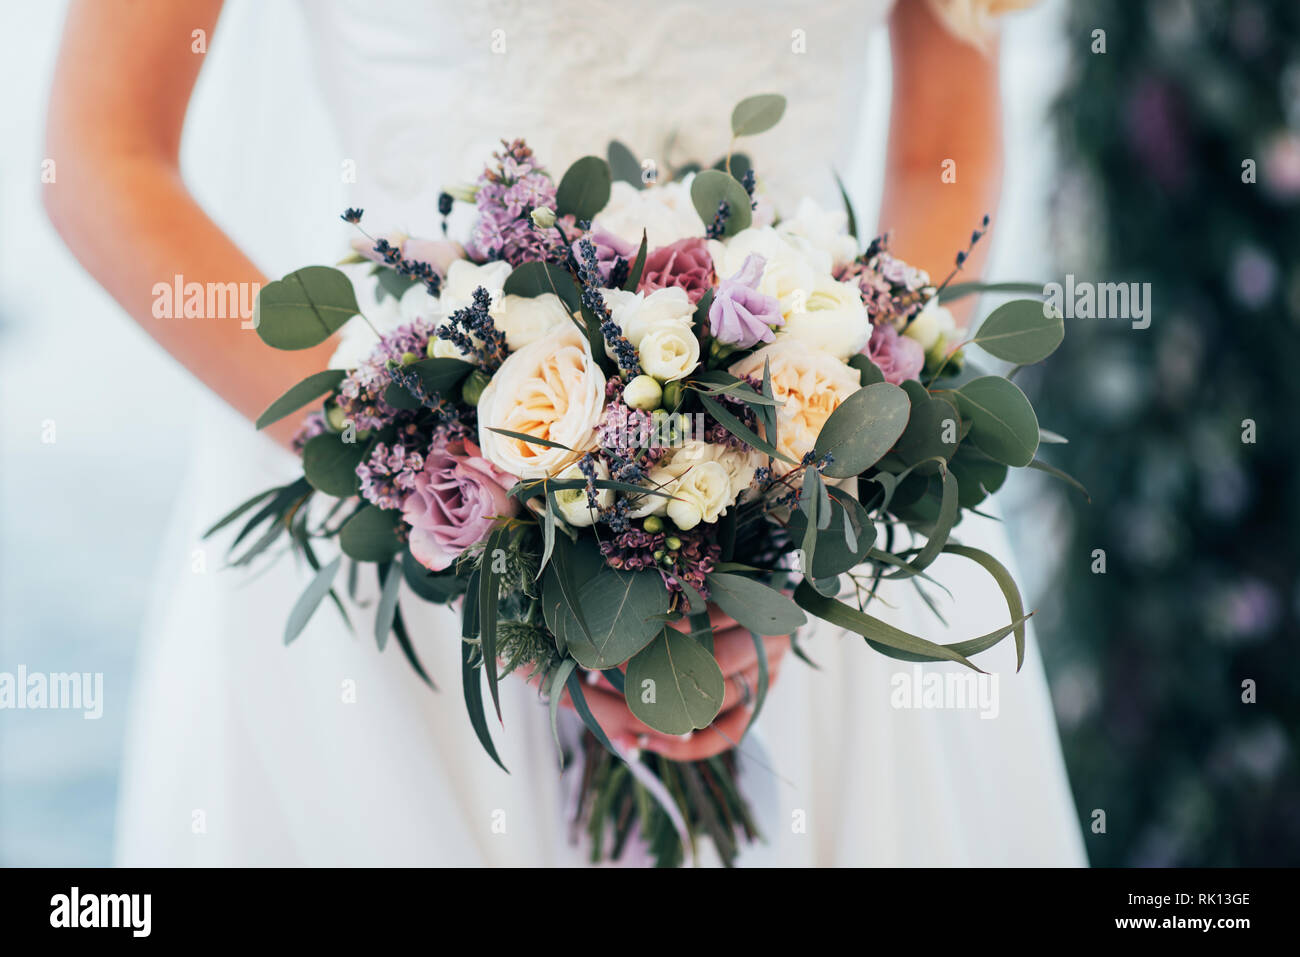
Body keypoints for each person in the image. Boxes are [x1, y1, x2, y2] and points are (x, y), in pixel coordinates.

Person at [45, 0, 1085, 865]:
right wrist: (431, 469)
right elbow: (102, 155)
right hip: (394, 558)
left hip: (812, 498)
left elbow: (939, 150)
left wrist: (812, 482)